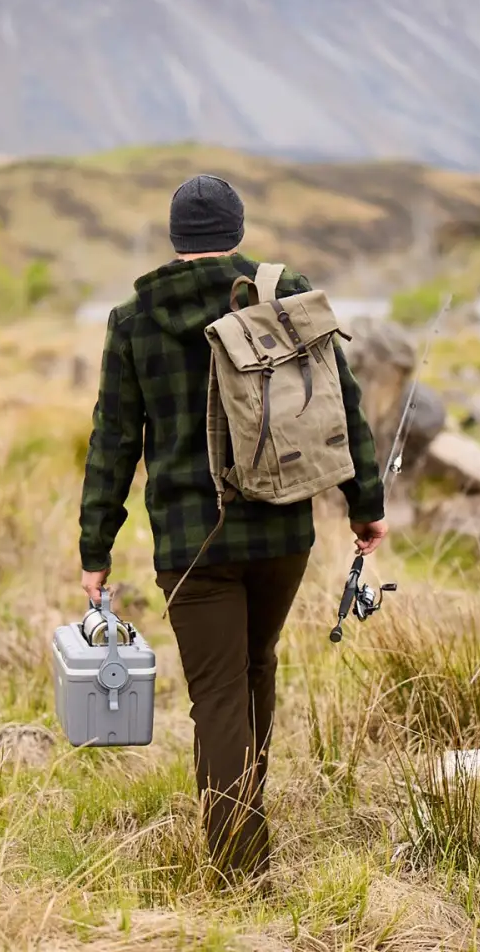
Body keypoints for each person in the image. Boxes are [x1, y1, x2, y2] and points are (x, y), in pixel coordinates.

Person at [78, 174, 387, 885]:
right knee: (256, 668)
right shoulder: (282, 295)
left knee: (218, 694)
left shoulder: (135, 319)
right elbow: (341, 405)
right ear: (237, 233)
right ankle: (247, 829)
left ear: (175, 237)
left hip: (192, 542)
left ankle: (238, 871)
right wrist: (363, 502)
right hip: (283, 530)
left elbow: (113, 443)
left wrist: (96, 549)